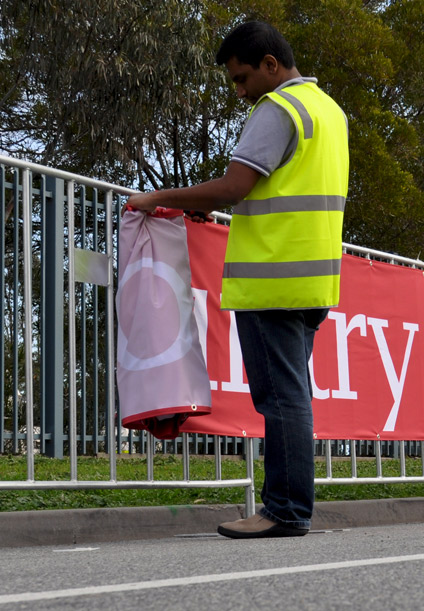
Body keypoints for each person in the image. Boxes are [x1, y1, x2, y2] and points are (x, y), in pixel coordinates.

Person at [125, 20, 349, 539]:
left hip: (271, 279)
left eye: (242, 77)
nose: (240, 90)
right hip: (311, 280)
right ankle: (289, 509)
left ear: (271, 65)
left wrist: (158, 198)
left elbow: (234, 185)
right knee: (293, 396)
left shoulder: (278, 109)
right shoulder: (330, 113)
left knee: (281, 400)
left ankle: (285, 511)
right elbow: (280, 187)